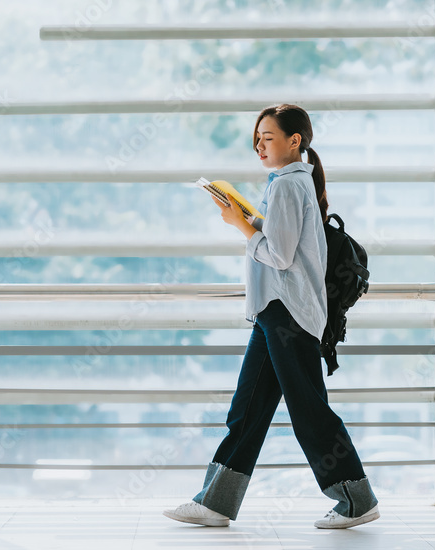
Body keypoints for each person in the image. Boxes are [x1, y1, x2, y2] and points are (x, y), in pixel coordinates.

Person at [163, 104, 380, 529]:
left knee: (309, 410)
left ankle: (357, 499)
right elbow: (288, 243)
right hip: (275, 313)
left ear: (294, 141)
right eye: (257, 138)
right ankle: (216, 502)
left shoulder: (286, 185)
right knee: (248, 409)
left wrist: (240, 226)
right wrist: (251, 218)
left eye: (269, 137)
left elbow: (279, 255)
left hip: (288, 314)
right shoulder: (292, 182)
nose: (260, 145)